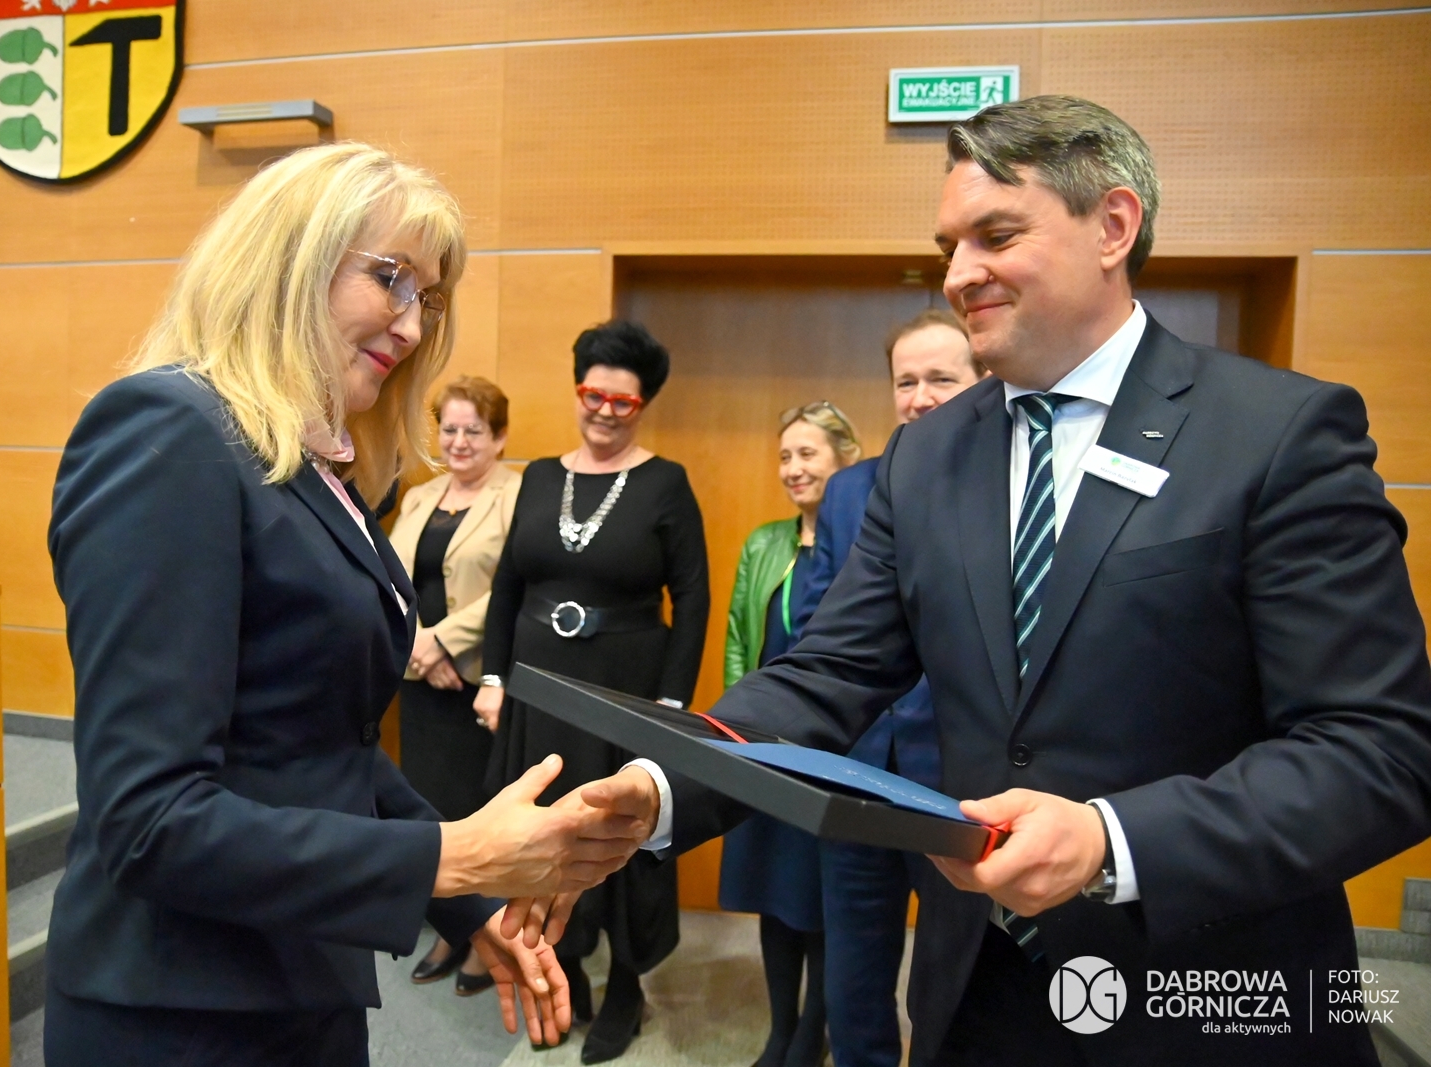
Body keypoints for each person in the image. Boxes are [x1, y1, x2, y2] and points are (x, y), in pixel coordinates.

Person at [598, 95, 1431, 1066]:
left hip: (1207, 996)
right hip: (979, 985)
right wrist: (658, 785)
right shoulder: (926, 457)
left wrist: (1112, 839)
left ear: (1112, 225)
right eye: (949, 246)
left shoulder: (1276, 432)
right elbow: (829, 674)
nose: (957, 274)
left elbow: (1380, 750)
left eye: (995, 236)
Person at [42, 143, 652, 1067]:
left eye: (428, 298)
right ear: (287, 260)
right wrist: (452, 856)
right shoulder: (168, 430)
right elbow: (149, 819)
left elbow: (326, 748)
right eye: (390, 278)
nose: (410, 326)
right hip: (180, 1011)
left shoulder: (306, 463)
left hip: (295, 975)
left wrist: (467, 902)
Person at [476, 319, 710, 1064]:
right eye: (593, 395)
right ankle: (566, 968)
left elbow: (693, 599)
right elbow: (508, 585)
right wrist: (493, 675)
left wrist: (672, 705)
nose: (605, 411)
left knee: (620, 834)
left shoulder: (666, 482)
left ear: (643, 405)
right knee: (545, 827)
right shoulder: (542, 476)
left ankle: (627, 986)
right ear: (577, 391)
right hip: (539, 685)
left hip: (626, 691)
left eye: (623, 401)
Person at [798, 309, 985, 1067]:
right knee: (853, 973)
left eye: (942, 378)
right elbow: (818, 621)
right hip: (858, 773)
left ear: (984, 381)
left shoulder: (1012, 485)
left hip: (960, 784)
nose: (920, 396)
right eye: (905, 381)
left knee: (951, 980)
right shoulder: (848, 491)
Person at [721, 401, 862, 1067]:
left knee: (826, 896)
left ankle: (814, 1031)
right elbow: (738, 641)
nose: (793, 468)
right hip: (767, 744)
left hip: (836, 750)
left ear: (845, 459)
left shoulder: (866, 543)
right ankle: (781, 1028)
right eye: (785, 456)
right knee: (773, 894)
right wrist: (736, 732)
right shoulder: (763, 542)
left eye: (808, 454)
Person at [387, 375, 522, 995]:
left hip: (479, 681)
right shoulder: (420, 497)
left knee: (478, 811)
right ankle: (451, 926)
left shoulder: (517, 496)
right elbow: (389, 579)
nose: (460, 441)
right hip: (421, 680)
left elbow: (512, 590)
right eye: (450, 428)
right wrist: (420, 648)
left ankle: (484, 936)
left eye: (474, 430)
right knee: (431, 808)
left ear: (499, 436)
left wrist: (442, 641)